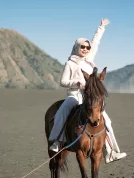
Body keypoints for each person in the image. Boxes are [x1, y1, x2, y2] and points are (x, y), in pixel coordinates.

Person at [49, 19, 127, 163]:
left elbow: (95, 42)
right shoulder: (70, 63)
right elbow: (63, 82)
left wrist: (101, 27)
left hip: (89, 98)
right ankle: (56, 141)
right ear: (77, 47)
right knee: (61, 112)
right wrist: (77, 83)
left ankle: (111, 152)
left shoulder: (89, 60)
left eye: (87, 47)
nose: (85, 49)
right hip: (74, 96)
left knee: (107, 121)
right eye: (82, 47)